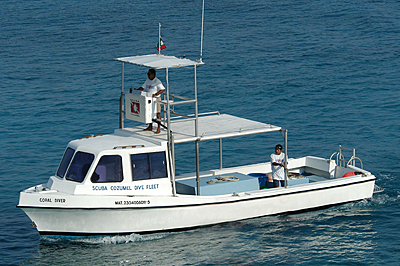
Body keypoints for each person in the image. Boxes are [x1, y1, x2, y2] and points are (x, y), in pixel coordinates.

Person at [135, 68, 165, 134]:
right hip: (149, 99)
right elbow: (142, 87)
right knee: (149, 112)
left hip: (156, 99)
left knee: (157, 113)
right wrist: (137, 90)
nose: (148, 76)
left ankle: (158, 128)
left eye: (149, 74)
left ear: (153, 74)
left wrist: (156, 94)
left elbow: (163, 89)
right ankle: (150, 126)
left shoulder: (157, 81)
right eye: (147, 74)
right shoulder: (147, 80)